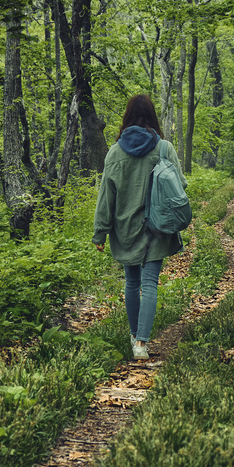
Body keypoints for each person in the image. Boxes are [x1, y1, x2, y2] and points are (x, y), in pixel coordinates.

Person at [92, 94, 187, 360]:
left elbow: (106, 197)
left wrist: (100, 232)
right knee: (150, 283)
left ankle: (135, 336)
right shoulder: (165, 148)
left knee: (132, 283)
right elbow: (181, 185)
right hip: (158, 226)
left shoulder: (114, 152)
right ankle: (142, 344)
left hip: (125, 228)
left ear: (127, 117)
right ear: (153, 117)